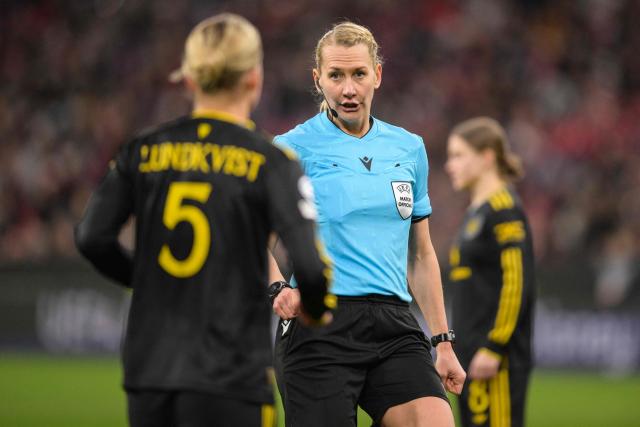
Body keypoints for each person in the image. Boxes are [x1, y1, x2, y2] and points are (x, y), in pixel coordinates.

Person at [74, 13, 333, 427]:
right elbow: (312, 269)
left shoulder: (142, 150)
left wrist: (145, 277)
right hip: (232, 375)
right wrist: (317, 311)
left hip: (150, 372)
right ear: (254, 77)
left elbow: (91, 237)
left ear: (190, 79)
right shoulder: (271, 161)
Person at [268, 21, 466, 427]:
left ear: (377, 74)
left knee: (435, 422)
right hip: (317, 325)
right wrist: (278, 289)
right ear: (317, 79)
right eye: (335, 75)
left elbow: (420, 252)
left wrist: (442, 342)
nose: (348, 88)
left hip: (394, 324)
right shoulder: (291, 149)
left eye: (358, 74)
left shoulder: (409, 148)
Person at [444, 117, 536, 427]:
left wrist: (495, 347)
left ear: (486, 157)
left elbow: (517, 281)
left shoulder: (503, 208)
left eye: (458, 155)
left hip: (492, 358)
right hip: (471, 353)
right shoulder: (476, 213)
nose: (449, 165)